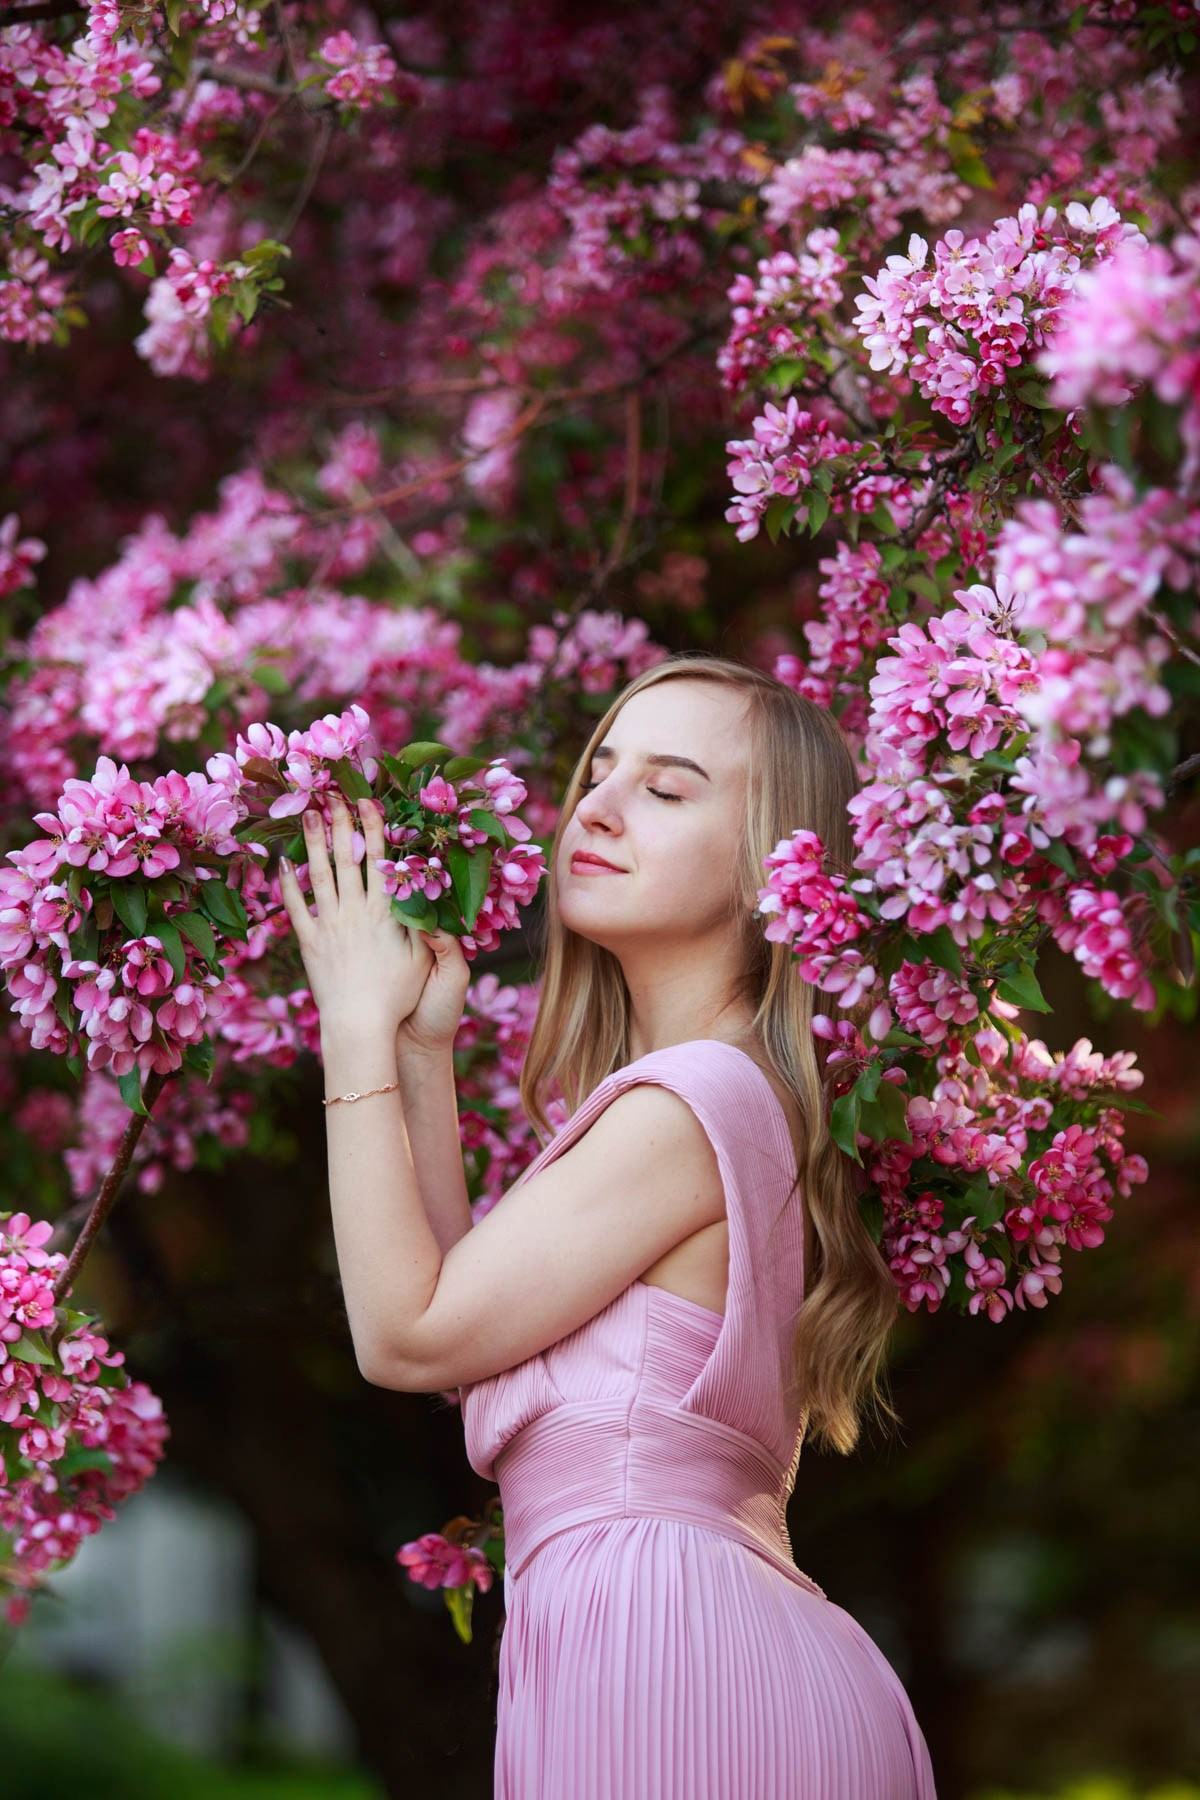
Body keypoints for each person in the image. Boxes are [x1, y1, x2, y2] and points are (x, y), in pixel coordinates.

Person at [280, 652, 937, 1798]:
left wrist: (348, 1024)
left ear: (772, 871)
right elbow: (460, 1329)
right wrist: (419, 1052)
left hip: (673, 1647)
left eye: (669, 788)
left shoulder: (694, 1103)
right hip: (667, 1637)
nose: (598, 803)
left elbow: (403, 1336)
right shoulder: (710, 1097)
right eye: (601, 769)